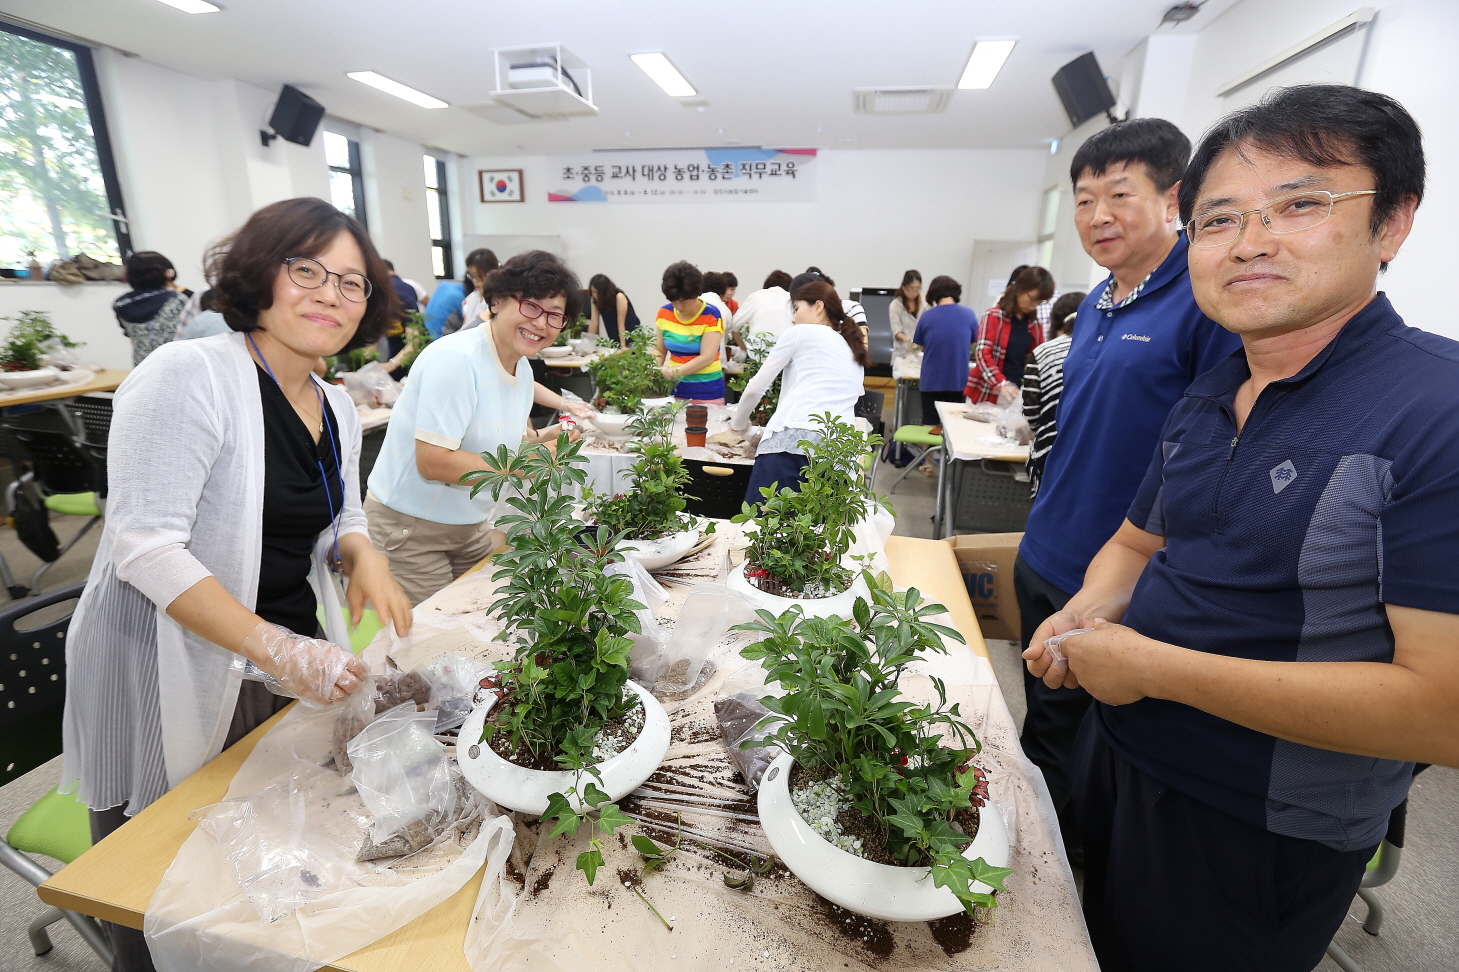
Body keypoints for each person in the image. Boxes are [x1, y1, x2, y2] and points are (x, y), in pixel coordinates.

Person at [1023, 83, 1454, 972]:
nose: (1250, 241)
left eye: (1300, 204)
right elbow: (1137, 543)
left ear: (1392, 222)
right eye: (1219, 220)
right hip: (1119, 753)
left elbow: (1441, 712)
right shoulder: (1212, 392)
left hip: (1253, 824)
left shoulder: (1431, 409)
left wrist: (1150, 666)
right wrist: (1087, 613)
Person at [63, 197, 413, 972]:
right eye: (307, 270)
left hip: (274, 655)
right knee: (155, 872)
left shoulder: (335, 403)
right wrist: (279, 649)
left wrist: (364, 553)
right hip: (165, 658)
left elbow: (339, 511)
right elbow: (145, 546)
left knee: (251, 853)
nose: (330, 293)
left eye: (352, 282)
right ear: (261, 275)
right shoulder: (190, 375)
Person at [1013, 118, 1244, 857]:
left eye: (1119, 194)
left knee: (1092, 756)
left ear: (1172, 197)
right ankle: (1036, 867)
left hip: (1120, 576)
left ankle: (1060, 906)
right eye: (1082, 201)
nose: (1096, 216)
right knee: (1043, 734)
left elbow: (1222, 453)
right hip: (1045, 553)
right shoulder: (1097, 304)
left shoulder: (1205, 303)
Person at [366, 250, 582, 605]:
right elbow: (433, 462)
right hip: (412, 529)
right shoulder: (457, 360)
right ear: (496, 301)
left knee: (475, 630)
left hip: (470, 526)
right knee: (425, 645)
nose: (541, 323)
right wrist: (528, 463)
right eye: (530, 306)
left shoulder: (521, 369)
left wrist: (545, 440)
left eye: (555, 315)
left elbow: (510, 446)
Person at [730, 280, 868, 501]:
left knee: (759, 529)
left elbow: (756, 387)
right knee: (817, 534)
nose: (793, 319)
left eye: (796, 309)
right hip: (839, 457)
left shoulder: (800, 332)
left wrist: (737, 424)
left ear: (818, 306)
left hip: (790, 449)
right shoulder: (853, 348)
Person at [1022, 291, 1084, 493]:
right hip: (1091, 451)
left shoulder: (1043, 352)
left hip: (1051, 452)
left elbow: (1031, 414)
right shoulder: (1106, 349)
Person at [965, 266, 1053, 404]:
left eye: (1040, 302)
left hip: (1015, 392)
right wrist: (1001, 383)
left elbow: (1036, 360)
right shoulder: (993, 316)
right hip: (988, 391)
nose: (1034, 305)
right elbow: (982, 354)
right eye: (1032, 298)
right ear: (1020, 289)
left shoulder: (1034, 324)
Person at [654, 261, 725, 404]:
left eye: (684, 301)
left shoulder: (711, 315)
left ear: (695, 294)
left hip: (707, 392)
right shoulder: (664, 313)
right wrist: (653, 369)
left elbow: (707, 357)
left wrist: (674, 373)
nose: (679, 306)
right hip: (674, 390)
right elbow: (659, 349)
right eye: (674, 301)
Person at [911, 275, 977, 426]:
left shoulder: (927, 316)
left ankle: (928, 450)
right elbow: (972, 345)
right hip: (958, 380)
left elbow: (921, 346)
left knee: (929, 425)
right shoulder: (969, 314)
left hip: (931, 380)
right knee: (954, 426)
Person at [113, 251, 188, 364]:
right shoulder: (177, 300)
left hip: (143, 367)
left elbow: (131, 337)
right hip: (178, 363)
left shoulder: (120, 304)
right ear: (166, 273)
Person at [733, 270, 794, 344]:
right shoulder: (791, 298)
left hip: (757, 352)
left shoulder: (756, 296)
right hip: (787, 350)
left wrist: (743, 348)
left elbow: (734, 325)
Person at [586, 273, 640, 347]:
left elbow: (621, 323)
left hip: (631, 335)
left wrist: (623, 346)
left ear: (603, 291)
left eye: (595, 292)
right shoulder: (595, 301)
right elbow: (594, 322)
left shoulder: (619, 297)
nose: (594, 295)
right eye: (592, 291)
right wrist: (587, 344)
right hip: (614, 337)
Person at [456, 247, 500, 332]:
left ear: (491, 273)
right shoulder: (470, 299)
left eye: (479, 276)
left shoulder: (500, 300)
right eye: (471, 276)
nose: (475, 281)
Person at [889, 270, 922, 353]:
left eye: (918, 288)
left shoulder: (926, 303)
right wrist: (907, 340)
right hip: (902, 352)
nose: (914, 292)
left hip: (922, 351)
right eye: (911, 288)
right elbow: (896, 330)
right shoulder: (895, 305)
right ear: (904, 287)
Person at [422, 275, 466, 339]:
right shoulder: (460, 298)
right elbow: (466, 321)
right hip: (438, 337)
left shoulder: (443, 285)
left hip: (425, 329)